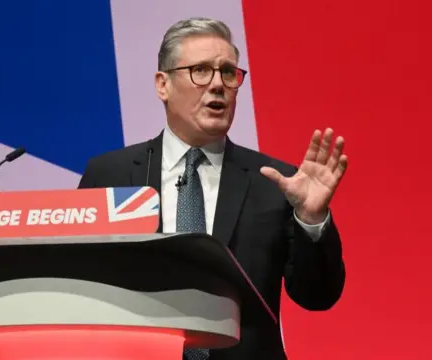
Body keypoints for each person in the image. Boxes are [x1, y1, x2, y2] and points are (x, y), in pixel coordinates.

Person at [78, 17, 347, 360]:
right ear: (163, 84)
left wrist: (312, 219)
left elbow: (317, 295)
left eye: (228, 72)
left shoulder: (274, 181)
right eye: (201, 70)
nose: (218, 84)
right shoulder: (109, 173)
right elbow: (81, 288)